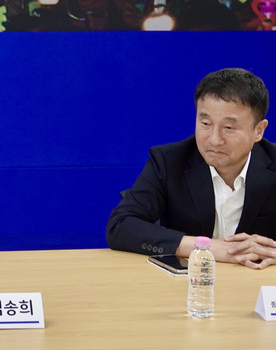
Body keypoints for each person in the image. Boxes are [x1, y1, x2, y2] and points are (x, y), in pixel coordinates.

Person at [106, 68, 276, 269]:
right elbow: (121, 225)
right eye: (205, 123)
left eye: (228, 128)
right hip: (189, 282)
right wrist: (207, 247)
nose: (214, 139)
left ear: (258, 131)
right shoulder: (169, 161)